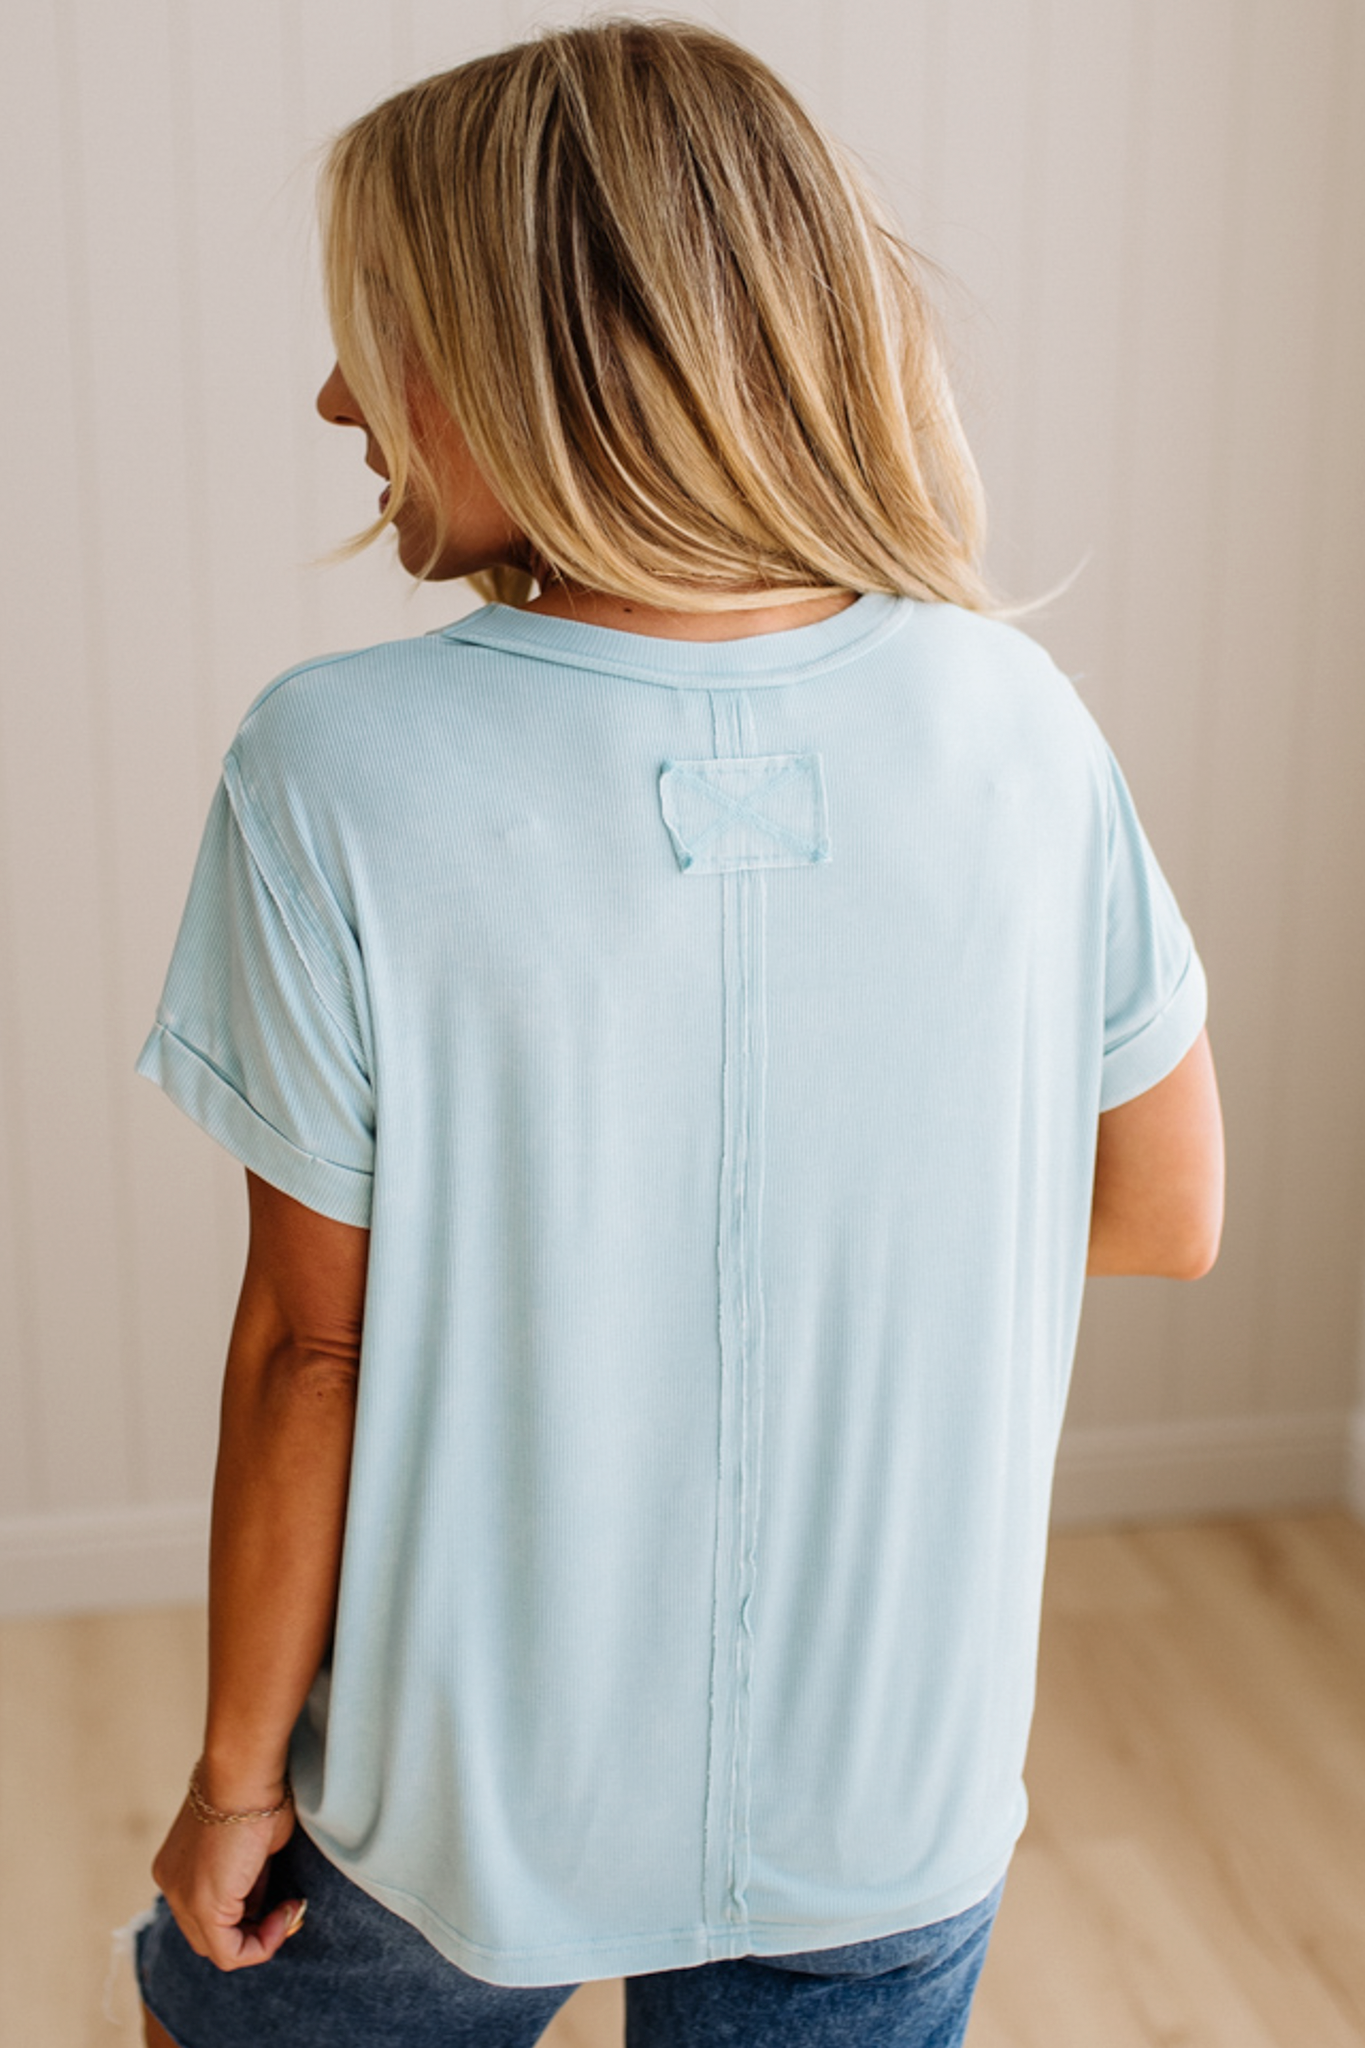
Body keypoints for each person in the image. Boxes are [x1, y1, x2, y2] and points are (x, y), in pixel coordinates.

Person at [130, 16, 1225, 2047]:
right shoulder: (1015, 727)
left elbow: (311, 1351)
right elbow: (1163, 1204)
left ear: (537, 363)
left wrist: (232, 1788)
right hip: (887, 1796)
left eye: (379, 331)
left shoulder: (337, 768)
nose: (329, 393)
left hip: (465, 1806)